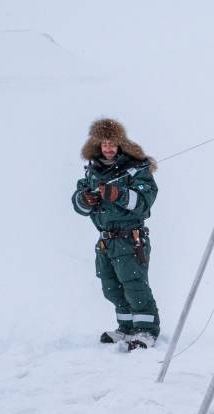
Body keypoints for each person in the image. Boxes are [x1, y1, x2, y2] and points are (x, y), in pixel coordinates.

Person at [71, 118, 161, 350]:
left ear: (120, 144)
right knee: (111, 286)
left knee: (134, 284)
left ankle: (146, 331)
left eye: (112, 144)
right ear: (97, 146)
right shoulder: (92, 172)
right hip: (106, 240)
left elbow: (145, 202)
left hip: (130, 238)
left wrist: (118, 194)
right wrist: (84, 199)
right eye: (104, 144)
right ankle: (127, 328)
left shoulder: (137, 169)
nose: (108, 149)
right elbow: (78, 203)